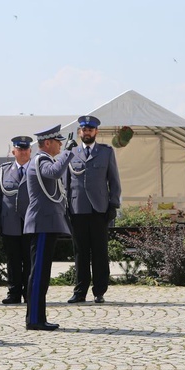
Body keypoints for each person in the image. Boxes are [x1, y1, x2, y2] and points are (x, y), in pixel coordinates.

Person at [64, 115, 122, 304]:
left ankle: (99, 291)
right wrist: (65, 206)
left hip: (99, 209)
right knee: (80, 252)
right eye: (84, 129)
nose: (86, 132)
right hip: (77, 208)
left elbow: (114, 180)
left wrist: (113, 204)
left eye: (90, 129)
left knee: (99, 252)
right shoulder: (71, 152)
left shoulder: (106, 152)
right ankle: (80, 291)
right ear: (80, 132)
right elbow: (65, 182)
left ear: (96, 132)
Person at [24, 125, 75, 330]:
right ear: (47, 143)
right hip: (42, 222)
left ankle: (37, 317)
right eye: (58, 141)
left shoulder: (44, 160)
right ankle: (35, 319)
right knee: (39, 274)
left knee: (42, 273)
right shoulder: (41, 160)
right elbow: (54, 173)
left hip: (46, 221)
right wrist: (68, 153)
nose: (60, 145)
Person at [0, 136, 32, 304]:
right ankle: (13, 292)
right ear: (13, 151)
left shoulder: (36, 169)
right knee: (13, 260)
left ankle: (29, 292)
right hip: (10, 222)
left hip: (31, 222)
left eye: (25, 149)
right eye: (19, 149)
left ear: (30, 151)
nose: (22, 152)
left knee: (30, 260)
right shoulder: (4, 170)